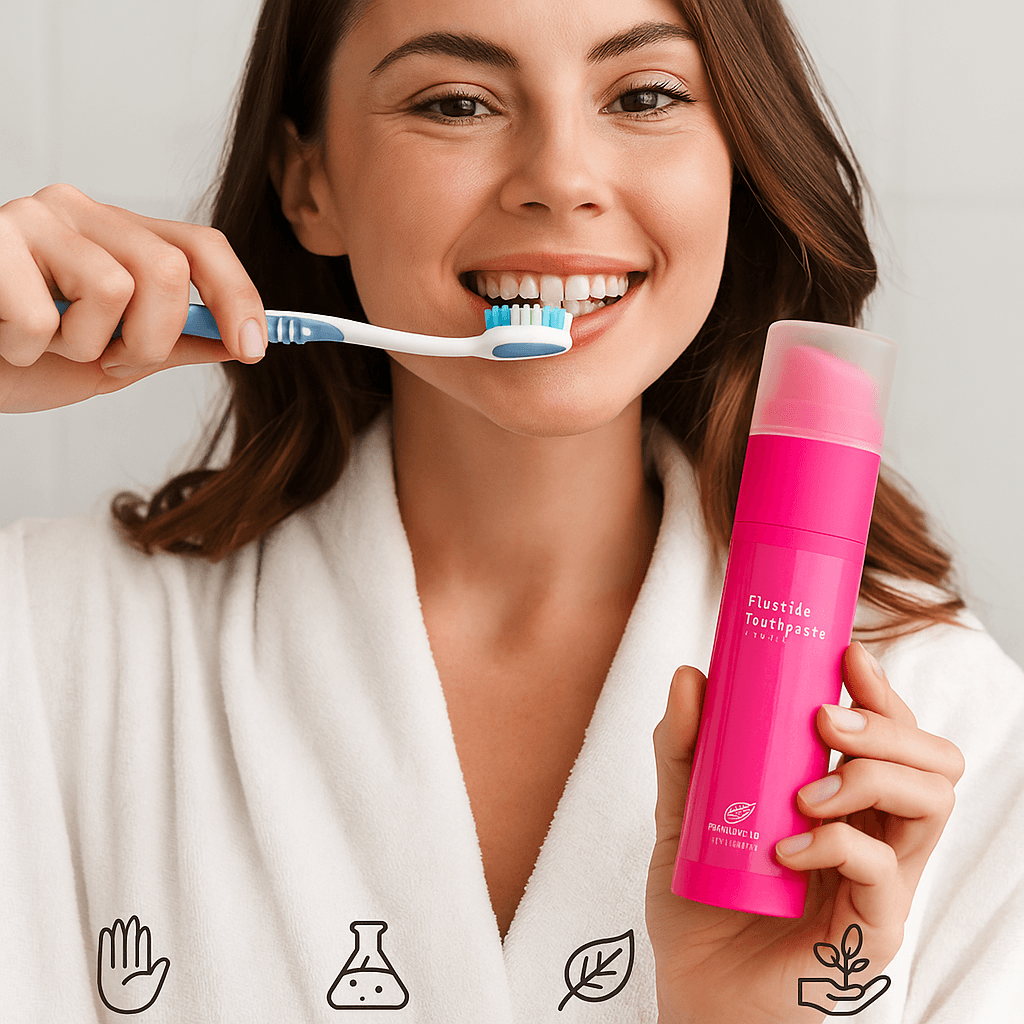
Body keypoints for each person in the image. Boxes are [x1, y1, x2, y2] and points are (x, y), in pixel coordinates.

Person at [1, 0, 1021, 1020]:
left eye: (646, 95)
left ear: (736, 166)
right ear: (310, 182)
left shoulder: (942, 726)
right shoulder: (50, 645)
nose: (562, 180)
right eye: (456, 102)